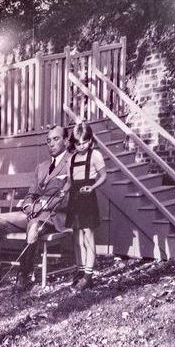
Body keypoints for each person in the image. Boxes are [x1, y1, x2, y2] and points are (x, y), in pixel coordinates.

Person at [0, 126, 71, 286]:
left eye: (56, 139)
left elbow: (71, 197)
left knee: (34, 227)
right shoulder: (42, 167)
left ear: (66, 140)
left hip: (54, 217)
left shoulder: (71, 163)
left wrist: (43, 206)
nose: (51, 143)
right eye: (48, 140)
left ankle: (24, 274)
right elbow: (31, 195)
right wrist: (29, 206)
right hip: (33, 214)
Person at [67, 122, 107, 288]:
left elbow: (103, 176)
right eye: (77, 143)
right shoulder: (72, 158)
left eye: (84, 142)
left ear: (90, 140)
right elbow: (70, 182)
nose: (81, 146)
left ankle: (88, 275)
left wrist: (92, 187)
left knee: (88, 236)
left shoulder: (96, 155)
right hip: (74, 198)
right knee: (77, 237)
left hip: (87, 198)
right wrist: (63, 190)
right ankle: (81, 270)